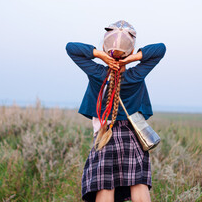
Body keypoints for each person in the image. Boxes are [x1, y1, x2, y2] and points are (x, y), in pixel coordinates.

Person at [66, 20, 166, 202]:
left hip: (105, 136)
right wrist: (133, 58)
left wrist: (98, 55)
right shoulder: (136, 75)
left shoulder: (97, 73)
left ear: (105, 49)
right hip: (133, 136)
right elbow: (160, 49)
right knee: (139, 186)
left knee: (106, 187)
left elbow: (71, 48)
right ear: (131, 50)